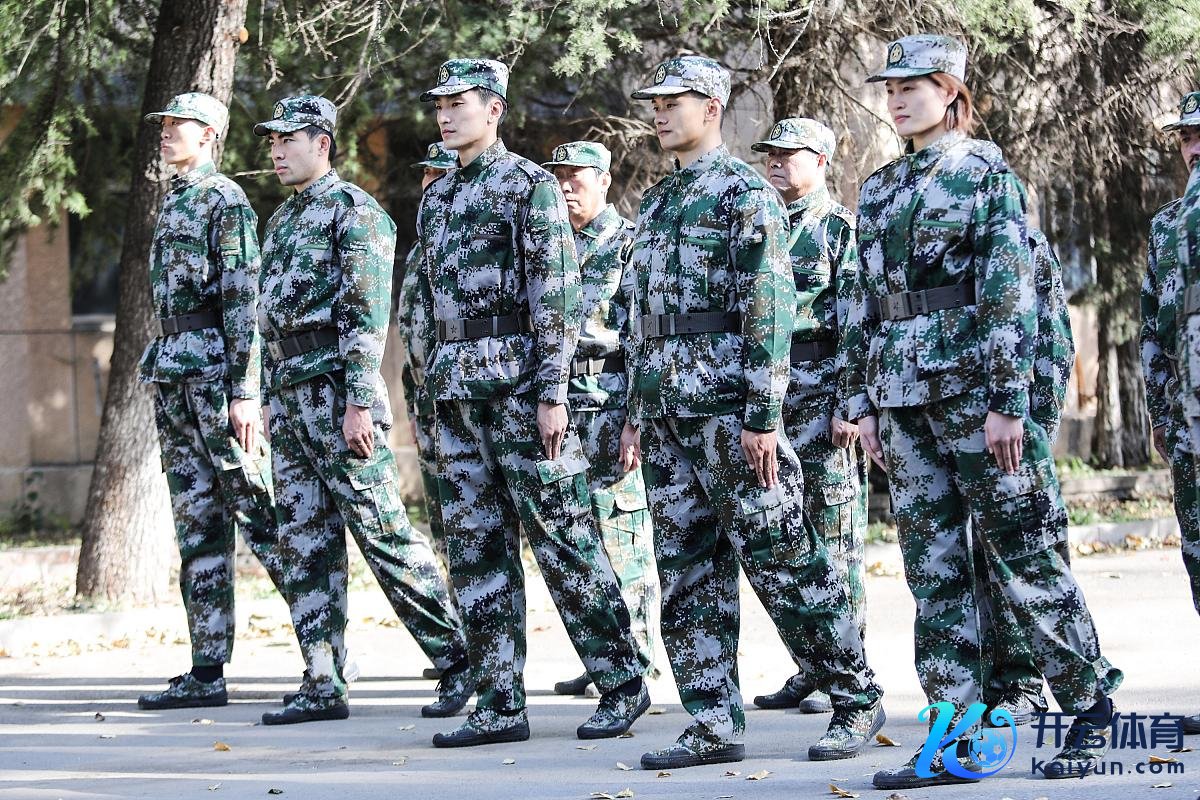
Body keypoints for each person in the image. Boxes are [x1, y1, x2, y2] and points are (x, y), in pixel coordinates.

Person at [840, 35, 1123, 788]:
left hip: (974, 395)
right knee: (933, 573)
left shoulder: (986, 175)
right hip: (903, 400)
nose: (896, 99)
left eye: (911, 86)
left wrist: (1008, 402)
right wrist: (862, 401)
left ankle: (1090, 706)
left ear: (950, 91)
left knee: (1023, 554)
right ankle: (955, 732)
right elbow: (864, 301)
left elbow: (1007, 291)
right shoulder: (880, 188)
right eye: (890, 88)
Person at [621, 55, 884, 771]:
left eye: (674, 102)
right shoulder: (657, 201)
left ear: (711, 108)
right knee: (687, 573)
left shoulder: (744, 194)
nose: (660, 113)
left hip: (729, 416)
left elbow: (769, 307)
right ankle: (712, 719)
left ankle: (854, 695)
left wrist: (764, 415)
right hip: (669, 412)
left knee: (784, 560)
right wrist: (636, 410)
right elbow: (640, 314)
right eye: (655, 103)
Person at [417, 59, 649, 748]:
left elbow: (558, 296)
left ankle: (622, 681)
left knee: (564, 539)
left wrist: (552, 393)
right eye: (439, 105)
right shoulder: (437, 197)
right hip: (457, 392)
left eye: (459, 103)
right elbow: (429, 302)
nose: (445, 115)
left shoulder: (528, 186)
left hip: (520, 390)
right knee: (475, 550)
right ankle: (499, 703)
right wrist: (431, 388)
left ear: (493, 109)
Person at [254, 95, 471, 725]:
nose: (276, 152)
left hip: (335, 394)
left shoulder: (354, 212)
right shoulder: (283, 219)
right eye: (272, 141)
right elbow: (268, 320)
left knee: (383, 535)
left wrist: (357, 403)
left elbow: (367, 318)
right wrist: (267, 397)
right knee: (304, 541)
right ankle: (323, 679)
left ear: (321, 144)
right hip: (290, 395)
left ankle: (461, 660)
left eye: (287, 140)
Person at [136, 92, 288, 711]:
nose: (167, 132)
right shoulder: (175, 199)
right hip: (174, 370)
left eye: (179, 125)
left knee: (260, 515)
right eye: (165, 124)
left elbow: (243, 303)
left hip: (216, 380)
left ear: (208, 135)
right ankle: (207, 670)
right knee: (197, 524)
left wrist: (245, 392)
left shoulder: (225, 201)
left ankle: (325, 656)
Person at [746, 117, 867, 718]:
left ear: (820, 160)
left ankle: (848, 670)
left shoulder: (839, 229)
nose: (775, 162)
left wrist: (851, 403)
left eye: (788, 154)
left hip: (823, 401)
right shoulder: (760, 226)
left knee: (833, 536)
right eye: (769, 154)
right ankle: (810, 663)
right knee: (784, 540)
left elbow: (859, 323)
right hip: (771, 399)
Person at [541, 140, 660, 699]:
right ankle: (606, 657)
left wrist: (637, 418)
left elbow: (643, 336)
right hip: (562, 408)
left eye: (577, 176)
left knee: (623, 535)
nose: (566, 186)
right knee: (579, 541)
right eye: (558, 176)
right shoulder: (551, 245)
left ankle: (640, 658)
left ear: (605, 180)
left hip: (611, 407)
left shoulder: (630, 244)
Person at [1147, 90, 1200, 736]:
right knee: (1198, 553)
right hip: (1186, 420)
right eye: (1186, 137)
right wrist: (1160, 410)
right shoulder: (1166, 226)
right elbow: (1152, 326)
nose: (1193, 147)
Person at [396, 140, 460, 606]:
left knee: (470, 519)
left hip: (459, 399)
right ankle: (460, 620)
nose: (430, 183)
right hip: (425, 401)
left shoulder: (464, 244)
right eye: (426, 174)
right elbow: (409, 329)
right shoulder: (421, 250)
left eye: (440, 174)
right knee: (439, 517)